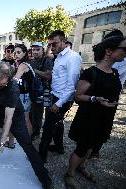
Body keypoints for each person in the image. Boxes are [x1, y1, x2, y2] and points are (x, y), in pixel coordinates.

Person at [0, 62, 52, 189]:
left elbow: (8, 119)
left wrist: (1, 142)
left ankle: (45, 178)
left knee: (27, 145)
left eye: (4, 82)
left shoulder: (12, 88)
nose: (2, 85)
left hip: (15, 116)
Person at [64, 36, 126, 188]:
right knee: (82, 147)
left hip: (105, 117)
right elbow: (78, 96)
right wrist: (94, 99)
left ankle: (81, 166)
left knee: (93, 146)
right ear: (109, 51)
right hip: (89, 118)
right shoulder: (91, 73)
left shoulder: (115, 73)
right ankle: (70, 174)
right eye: (124, 49)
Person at [39, 30, 82, 162]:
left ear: (64, 41)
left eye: (55, 44)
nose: (52, 47)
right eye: (50, 45)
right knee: (57, 123)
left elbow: (72, 84)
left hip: (62, 99)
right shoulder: (58, 56)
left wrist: (58, 104)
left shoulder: (73, 57)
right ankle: (59, 147)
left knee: (47, 128)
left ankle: (41, 158)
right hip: (54, 94)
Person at [89, 29, 126, 159]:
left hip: (110, 92)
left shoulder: (121, 57)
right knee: (97, 120)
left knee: (103, 121)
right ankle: (89, 146)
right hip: (104, 90)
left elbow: (108, 70)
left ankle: (94, 148)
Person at [29, 42, 53, 140]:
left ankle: (47, 135)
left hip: (46, 90)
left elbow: (48, 75)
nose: (35, 52)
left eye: (38, 49)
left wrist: (34, 71)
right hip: (35, 91)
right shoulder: (31, 61)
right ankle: (36, 132)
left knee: (48, 114)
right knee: (36, 113)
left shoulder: (47, 60)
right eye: (33, 49)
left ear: (42, 50)